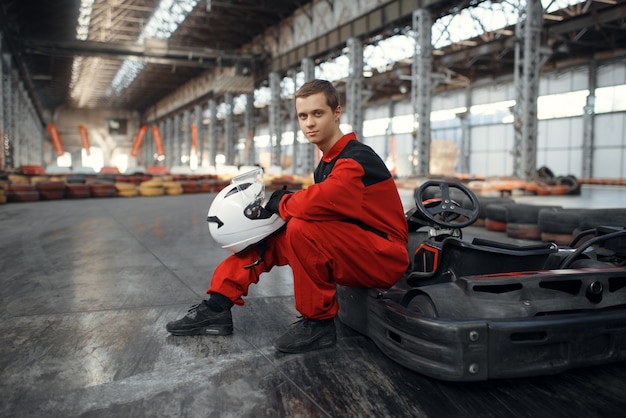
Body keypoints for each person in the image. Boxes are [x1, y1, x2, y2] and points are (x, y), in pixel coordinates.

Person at [166, 79, 409, 353]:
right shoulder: (328, 162)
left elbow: (328, 198)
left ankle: (318, 325)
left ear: (336, 112)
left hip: (383, 257)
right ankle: (217, 306)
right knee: (272, 235)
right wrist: (280, 211)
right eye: (303, 116)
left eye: (318, 114)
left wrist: (282, 201)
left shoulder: (355, 159)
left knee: (302, 229)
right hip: (356, 246)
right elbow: (325, 206)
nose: (309, 123)